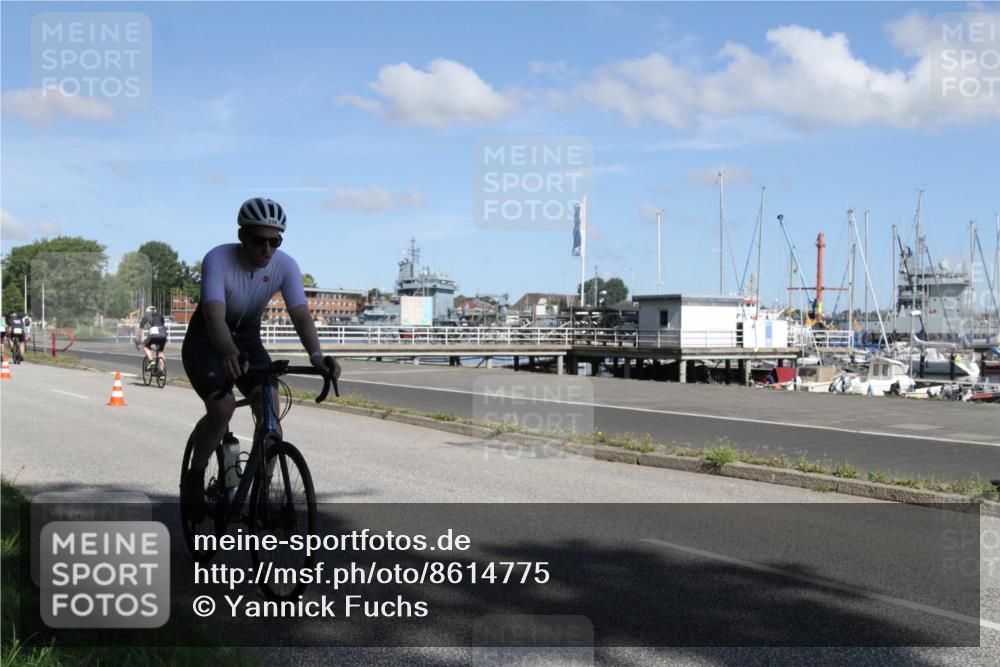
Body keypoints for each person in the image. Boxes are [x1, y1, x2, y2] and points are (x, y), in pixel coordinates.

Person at [181, 197, 339, 516]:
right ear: (243, 236)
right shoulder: (218, 259)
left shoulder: (285, 265)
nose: (267, 249)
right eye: (259, 241)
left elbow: (300, 315)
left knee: (269, 407)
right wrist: (227, 351)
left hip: (249, 341)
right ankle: (195, 476)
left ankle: (261, 493)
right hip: (208, 341)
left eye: (274, 242)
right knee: (222, 407)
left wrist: (317, 355)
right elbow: (213, 315)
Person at [139, 306, 167, 374]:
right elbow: (162, 325)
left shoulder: (145, 317)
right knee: (160, 352)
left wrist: (141, 340)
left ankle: (152, 362)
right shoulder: (161, 316)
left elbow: (141, 331)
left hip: (154, 333)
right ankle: (162, 372)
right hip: (163, 334)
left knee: (146, 346)